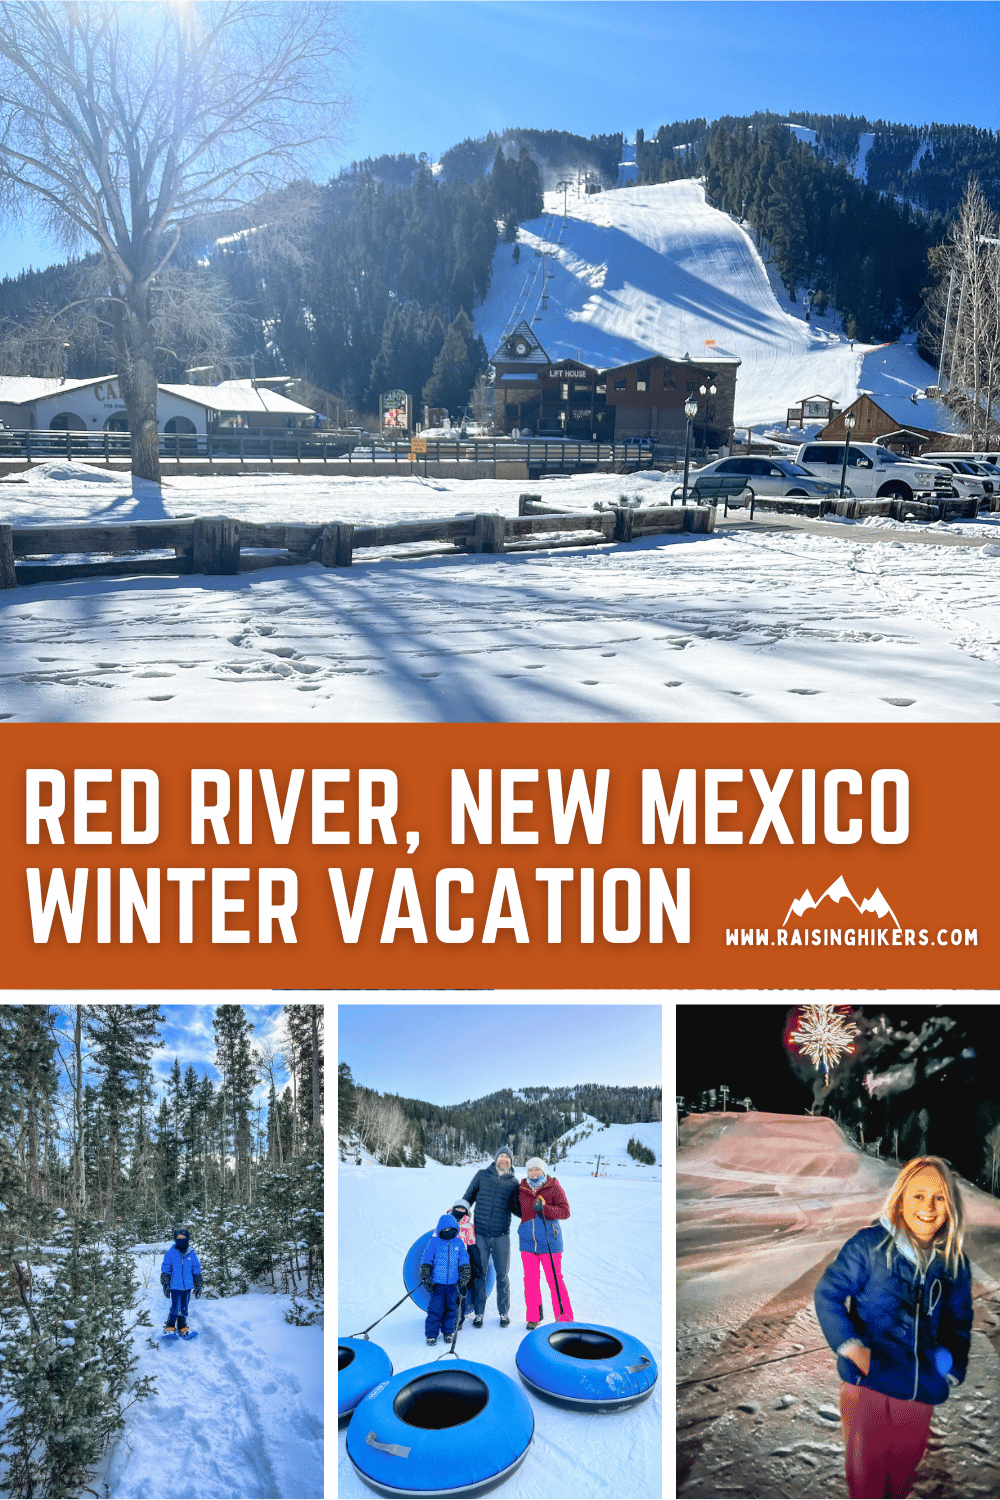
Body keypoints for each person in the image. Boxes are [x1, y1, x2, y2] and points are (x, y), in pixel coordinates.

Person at [814, 1156, 973, 1500]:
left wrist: (949, 1368)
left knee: (901, 1480)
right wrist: (853, 1348)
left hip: (919, 1391)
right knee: (867, 1483)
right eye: (918, 1196)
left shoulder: (954, 1263)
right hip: (869, 1385)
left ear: (951, 1205)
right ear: (901, 1198)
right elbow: (828, 1293)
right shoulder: (869, 1246)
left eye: (939, 1197)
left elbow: (959, 1321)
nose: (928, 1207)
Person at [463, 1146, 521, 1328]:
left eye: (507, 1157)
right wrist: (458, 1216)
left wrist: (532, 1207)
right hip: (479, 1234)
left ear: (511, 1161)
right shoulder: (481, 1175)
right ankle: (479, 1314)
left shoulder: (514, 1183)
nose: (504, 1159)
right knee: (481, 1274)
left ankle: (503, 1312)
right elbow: (468, 1198)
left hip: (501, 1236)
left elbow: (517, 1209)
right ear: (496, 1158)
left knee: (503, 1276)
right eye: (501, 1156)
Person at [516, 1157, 573, 1329]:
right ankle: (534, 1316)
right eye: (530, 1170)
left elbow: (565, 1212)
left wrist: (545, 1209)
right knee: (530, 1281)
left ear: (543, 1170)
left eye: (537, 1169)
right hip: (527, 1242)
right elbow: (513, 1207)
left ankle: (564, 1316)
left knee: (555, 1280)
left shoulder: (553, 1186)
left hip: (550, 1242)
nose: (533, 1173)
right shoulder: (521, 1188)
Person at [419, 1211, 471, 1345]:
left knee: (451, 1308)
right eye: (445, 1229)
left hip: (453, 1284)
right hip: (438, 1284)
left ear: (455, 1229)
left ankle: (448, 1331)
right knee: (435, 1309)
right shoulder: (434, 1242)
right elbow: (427, 1258)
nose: (448, 1231)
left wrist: (465, 1272)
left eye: (451, 1229)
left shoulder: (458, 1243)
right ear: (440, 1229)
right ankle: (431, 1334)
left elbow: (463, 1259)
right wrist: (426, 1274)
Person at [159, 1226, 203, 1338]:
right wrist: (166, 1285)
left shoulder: (191, 1253)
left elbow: (196, 1269)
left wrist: (198, 1284)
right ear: (175, 1239)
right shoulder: (170, 1253)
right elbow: (166, 1270)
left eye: (184, 1237)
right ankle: (170, 1326)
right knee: (175, 1307)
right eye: (179, 1238)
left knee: (184, 1308)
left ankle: (182, 1326)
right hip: (175, 1286)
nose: (181, 1240)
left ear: (187, 1239)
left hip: (187, 1286)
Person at [449, 1198, 478, 1331]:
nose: (460, 1211)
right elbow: (434, 1241)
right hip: (445, 1264)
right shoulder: (444, 1223)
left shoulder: (468, 1228)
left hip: (462, 1266)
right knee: (445, 1292)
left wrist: (476, 1265)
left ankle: (458, 1320)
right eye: (458, 1208)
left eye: (463, 1209)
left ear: (466, 1212)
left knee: (460, 1292)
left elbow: (472, 1247)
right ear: (453, 1209)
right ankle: (446, 1317)